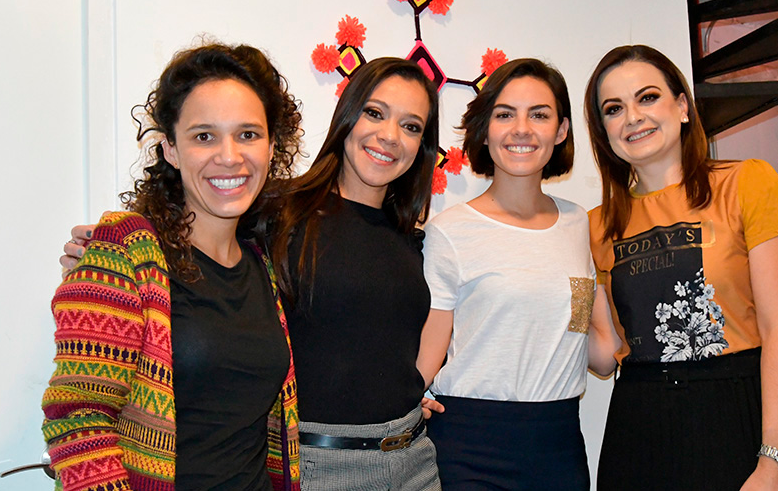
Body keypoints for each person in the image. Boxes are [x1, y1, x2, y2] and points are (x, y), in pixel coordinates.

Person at [42, 43, 303, 491]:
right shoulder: (126, 254)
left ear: (271, 146)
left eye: (248, 134)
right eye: (204, 136)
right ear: (171, 149)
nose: (229, 155)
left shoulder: (264, 264)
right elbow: (78, 419)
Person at [583, 44, 778, 490]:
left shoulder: (747, 183)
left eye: (647, 97)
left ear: (682, 107)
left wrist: (775, 460)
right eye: (613, 109)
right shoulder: (595, 227)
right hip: (639, 428)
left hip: (739, 416)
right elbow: (602, 354)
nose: (632, 117)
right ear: (603, 131)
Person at [416, 58, 617, 490]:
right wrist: (405, 401)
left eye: (539, 115)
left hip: (559, 443)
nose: (521, 129)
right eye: (505, 114)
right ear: (485, 129)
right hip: (468, 444)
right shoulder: (450, 231)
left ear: (561, 131)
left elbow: (602, 353)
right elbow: (429, 352)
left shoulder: (579, 224)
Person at [250, 57, 441, 490]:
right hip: (322, 466)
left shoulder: (411, 238)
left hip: (416, 460)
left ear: (422, 147)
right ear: (347, 117)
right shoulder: (277, 213)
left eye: (411, 126)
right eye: (375, 113)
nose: (390, 136)